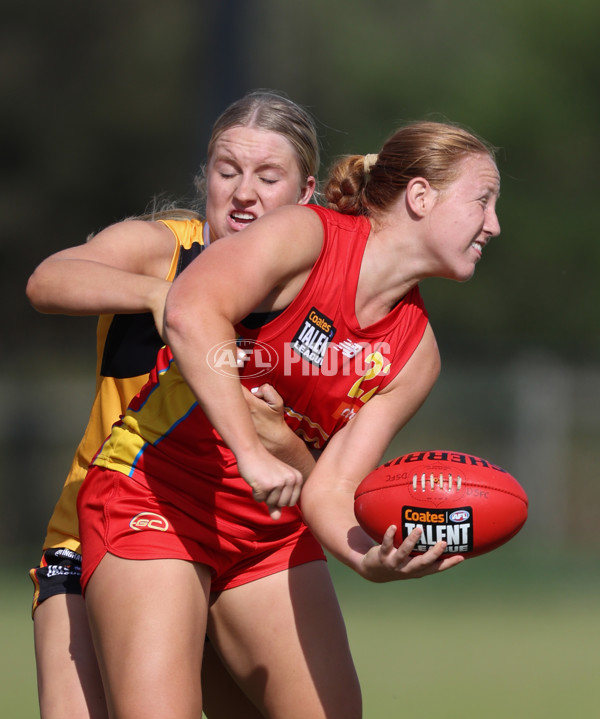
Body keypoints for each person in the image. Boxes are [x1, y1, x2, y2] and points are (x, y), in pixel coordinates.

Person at [77, 119, 500, 719]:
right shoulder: (308, 235)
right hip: (156, 495)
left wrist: (369, 559)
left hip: (267, 533)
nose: (494, 224)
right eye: (482, 201)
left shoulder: (417, 353)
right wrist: (251, 448)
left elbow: (331, 488)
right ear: (422, 197)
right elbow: (192, 310)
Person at [26, 89, 321, 719]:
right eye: (227, 171)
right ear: (205, 177)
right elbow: (49, 279)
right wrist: (162, 298)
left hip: (237, 544)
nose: (245, 193)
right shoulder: (165, 247)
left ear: (307, 193)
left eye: (268, 177)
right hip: (101, 534)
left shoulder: (314, 297)